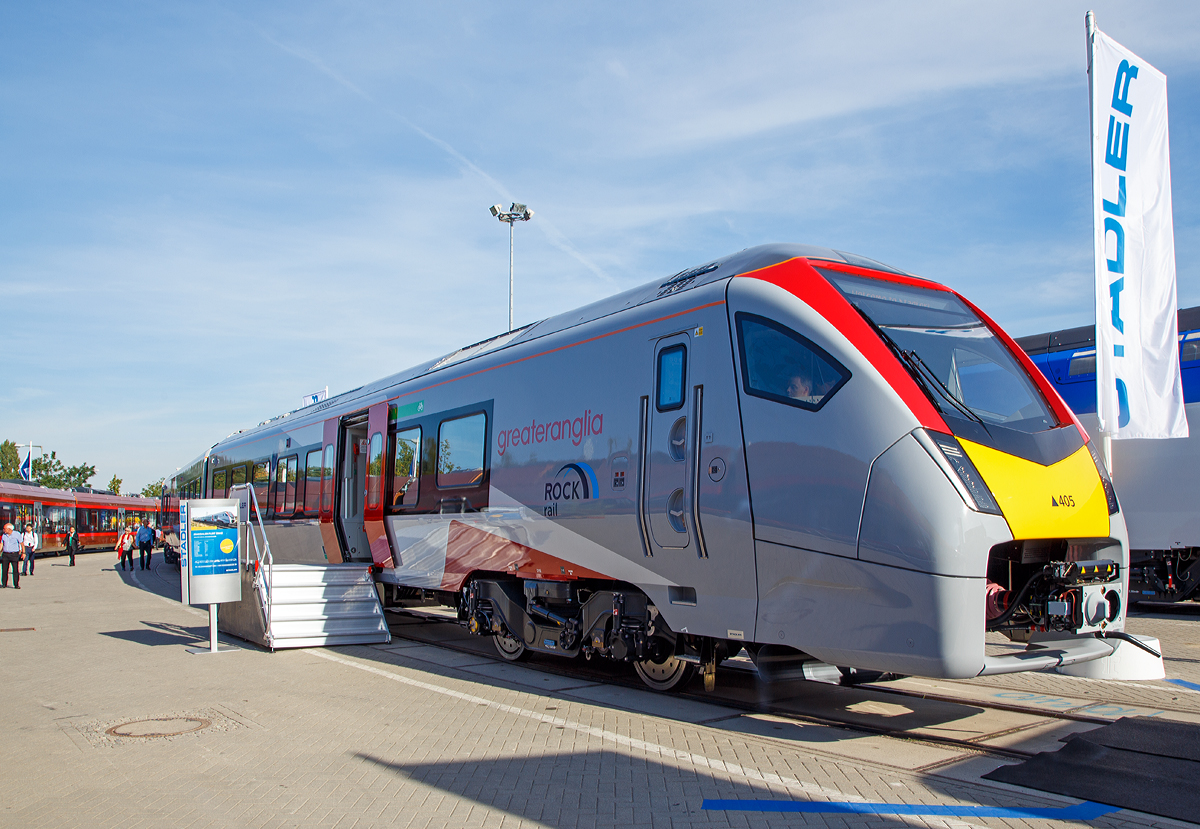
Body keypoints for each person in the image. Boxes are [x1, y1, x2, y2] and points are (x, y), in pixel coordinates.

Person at [2, 523, 22, 588]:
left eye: (4, 529)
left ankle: (16, 584)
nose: (3, 530)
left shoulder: (17, 534)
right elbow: (1, 544)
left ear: (9, 529)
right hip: (5, 554)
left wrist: (23, 552)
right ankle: (4, 584)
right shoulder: (4, 535)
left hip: (14, 554)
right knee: (4, 570)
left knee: (15, 570)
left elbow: (21, 543)